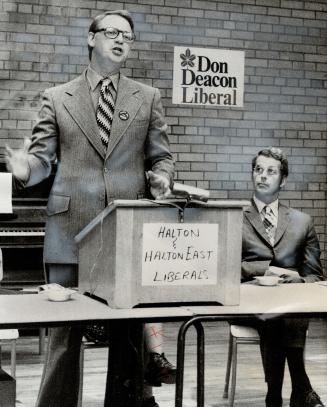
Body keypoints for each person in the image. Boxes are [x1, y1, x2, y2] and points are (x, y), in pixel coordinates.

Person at [5, 9, 175, 407]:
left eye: (128, 36)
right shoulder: (56, 97)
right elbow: (42, 161)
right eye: (112, 32)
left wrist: (162, 178)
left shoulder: (147, 98)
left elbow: (161, 158)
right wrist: (23, 168)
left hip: (123, 231)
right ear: (91, 38)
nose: (121, 40)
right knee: (64, 336)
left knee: (128, 341)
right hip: (70, 230)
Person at [241, 147, 325, 407]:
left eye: (271, 171)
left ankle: (274, 396)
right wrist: (262, 272)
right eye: (258, 170)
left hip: (288, 306)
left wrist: (298, 279)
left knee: (284, 312)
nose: (263, 176)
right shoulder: (234, 217)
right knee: (282, 314)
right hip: (248, 301)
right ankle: (301, 387)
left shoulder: (302, 221)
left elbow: (314, 275)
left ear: (283, 179)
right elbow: (224, 270)